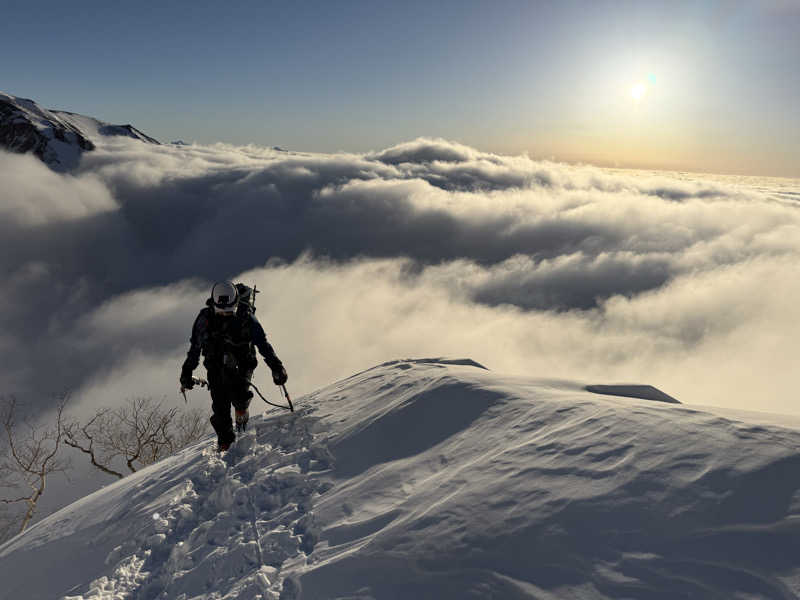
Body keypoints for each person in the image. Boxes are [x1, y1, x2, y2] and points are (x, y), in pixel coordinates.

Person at [180, 281, 288, 451]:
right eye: (221, 312)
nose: (225, 315)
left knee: (240, 395)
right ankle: (225, 443)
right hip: (215, 364)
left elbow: (262, 343)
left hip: (243, 361)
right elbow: (195, 347)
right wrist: (186, 372)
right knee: (220, 407)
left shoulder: (247, 318)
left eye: (230, 311)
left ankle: (241, 411)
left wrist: (277, 367)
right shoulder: (205, 319)